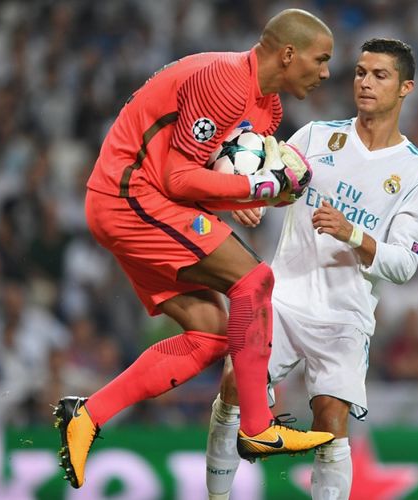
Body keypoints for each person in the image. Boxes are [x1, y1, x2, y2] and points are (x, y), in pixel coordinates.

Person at [53, 9, 337, 490]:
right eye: (321, 58)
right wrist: (257, 187)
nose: (327, 71)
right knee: (254, 280)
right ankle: (257, 427)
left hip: (145, 201)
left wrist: (244, 194)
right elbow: (177, 177)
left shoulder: (267, 109)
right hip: (127, 196)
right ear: (288, 54)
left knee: (210, 334)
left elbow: (199, 178)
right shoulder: (226, 82)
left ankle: (87, 415)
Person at [205, 38, 418, 500]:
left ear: (406, 87)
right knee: (233, 384)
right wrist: (243, 201)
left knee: (330, 417)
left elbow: (404, 264)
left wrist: (352, 232)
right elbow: (265, 180)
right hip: (284, 297)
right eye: (360, 72)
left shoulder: (416, 174)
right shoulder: (315, 136)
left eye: (380, 75)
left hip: (344, 315)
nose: (365, 83)